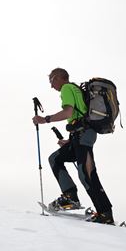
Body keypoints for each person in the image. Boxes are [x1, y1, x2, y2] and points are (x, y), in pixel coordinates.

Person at [32, 68, 114, 224]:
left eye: (51, 80)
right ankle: (70, 197)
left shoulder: (67, 88)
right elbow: (79, 115)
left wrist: (45, 119)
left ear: (58, 77)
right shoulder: (75, 89)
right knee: (56, 158)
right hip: (79, 136)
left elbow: (68, 112)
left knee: (87, 174)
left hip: (83, 136)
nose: (51, 85)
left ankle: (105, 214)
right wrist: (70, 141)